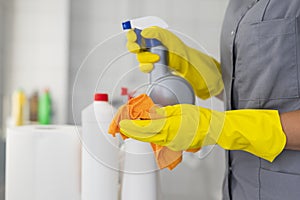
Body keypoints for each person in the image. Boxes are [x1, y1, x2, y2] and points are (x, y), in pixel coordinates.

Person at [115, 0, 300, 199]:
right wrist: (192, 65)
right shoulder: (237, 5)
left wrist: (215, 127)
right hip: (240, 189)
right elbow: (254, 87)